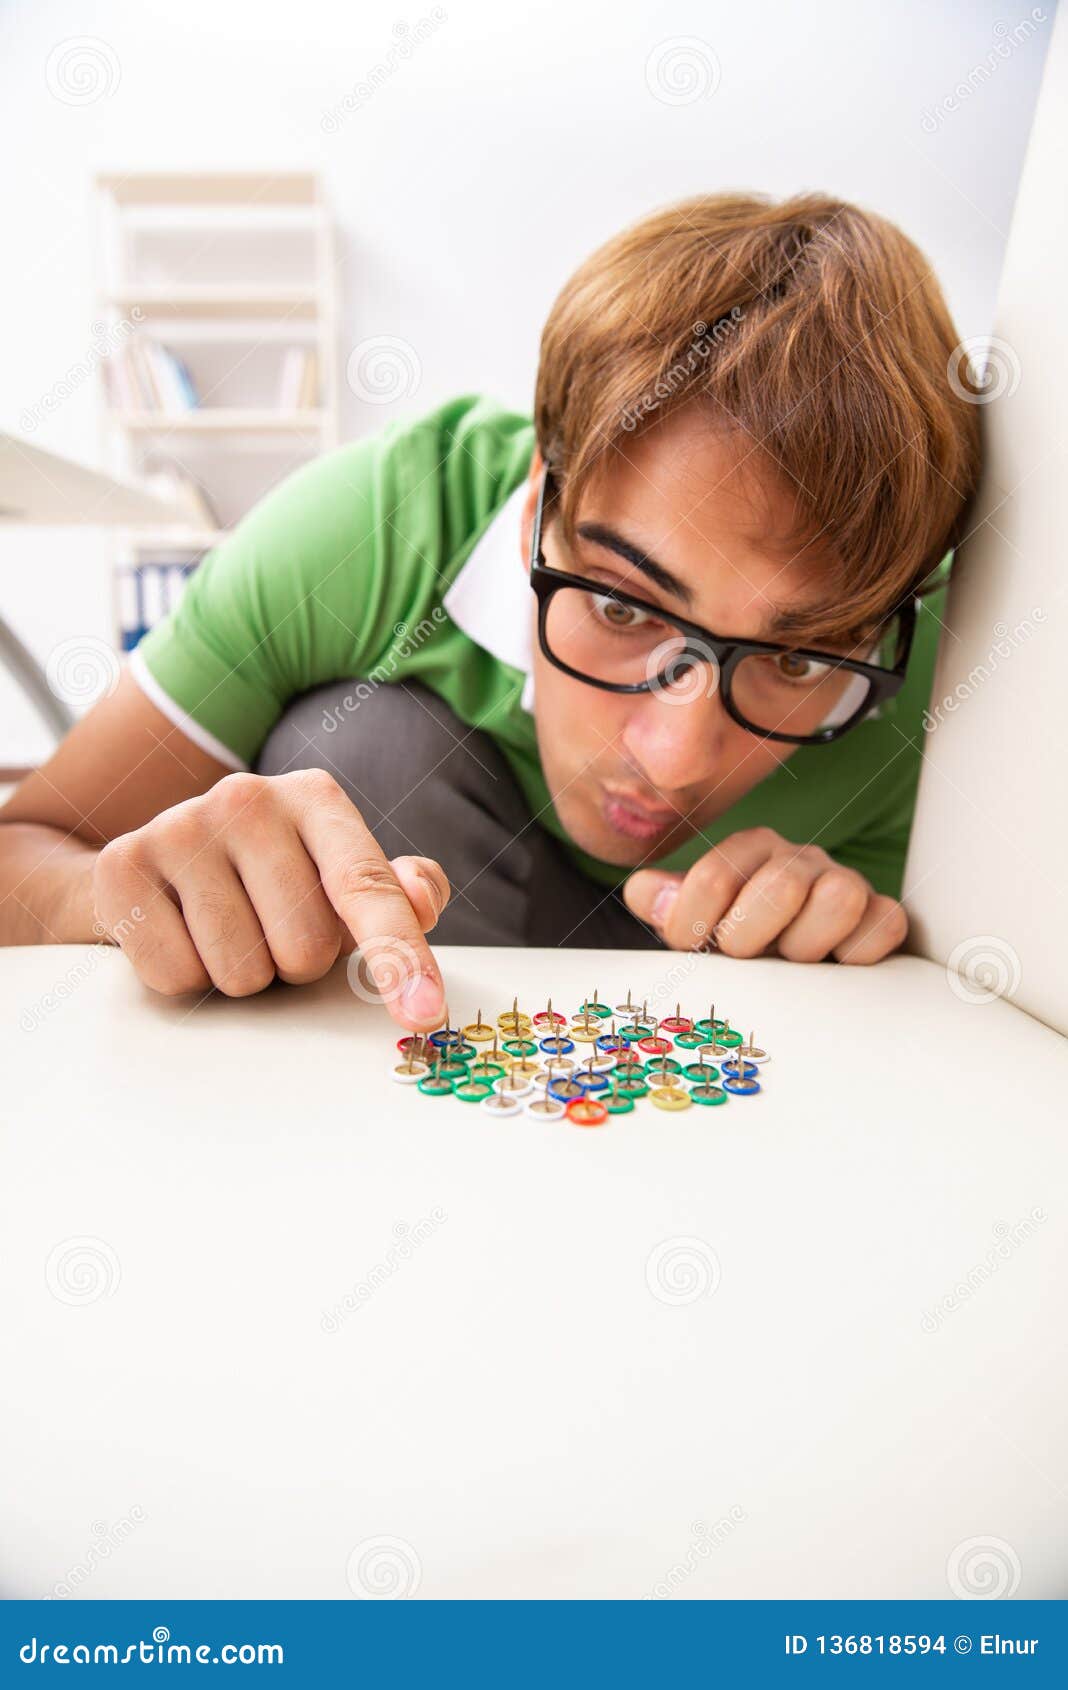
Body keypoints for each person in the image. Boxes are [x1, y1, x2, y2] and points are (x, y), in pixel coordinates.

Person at [0, 193, 981, 1032]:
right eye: (619, 604)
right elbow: (21, 852)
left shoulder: (953, 679)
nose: (676, 757)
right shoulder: (384, 521)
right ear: (535, 510)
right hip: (436, 996)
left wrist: (856, 934)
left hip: (698, 1059)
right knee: (356, 746)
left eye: (800, 660)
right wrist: (122, 894)